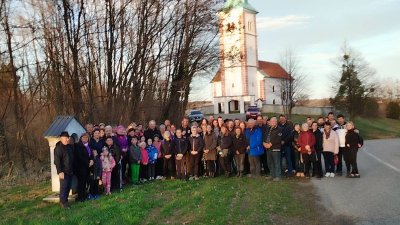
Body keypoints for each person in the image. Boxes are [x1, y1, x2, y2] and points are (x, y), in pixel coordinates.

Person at [54, 131, 75, 208]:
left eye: (67, 138)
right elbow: (57, 161)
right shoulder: (58, 148)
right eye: (65, 138)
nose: (66, 140)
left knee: (68, 187)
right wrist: (60, 171)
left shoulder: (69, 147)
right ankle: (63, 202)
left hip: (70, 170)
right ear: (61, 138)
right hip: (63, 172)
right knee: (64, 187)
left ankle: (65, 201)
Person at [74, 133, 93, 202]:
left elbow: (91, 154)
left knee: (85, 182)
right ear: (81, 138)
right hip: (80, 167)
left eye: (86, 137)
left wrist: (91, 160)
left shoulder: (89, 145)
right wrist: (88, 162)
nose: (85, 138)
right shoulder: (78, 146)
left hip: (87, 168)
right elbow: (80, 157)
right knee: (81, 183)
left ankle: (84, 195)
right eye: (84, 137)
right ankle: (80, 197)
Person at [263, 117, 282, 181]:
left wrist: (270, 144)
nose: (272, 122)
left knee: (276, 163)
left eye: (274, 121)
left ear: (276, 122)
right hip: (268, 149)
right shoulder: (268, 128)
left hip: (275, 149)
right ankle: (272, 175)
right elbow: (265, 136)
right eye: (271, 121)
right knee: (269, 162)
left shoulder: (279, 129)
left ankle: (278, 176)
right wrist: (264, 143)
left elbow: (278, 139)